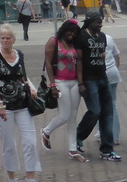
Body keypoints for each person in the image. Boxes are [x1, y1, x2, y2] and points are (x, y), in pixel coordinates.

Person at [0, 24, 48, 182]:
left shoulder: (19, 54)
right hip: (4, 108)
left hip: (22, 104)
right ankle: (12, 179)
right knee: (9, 145)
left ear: (14, 39)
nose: (5, 41)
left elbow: (22, 75)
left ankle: (31, 181)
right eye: (3, 38)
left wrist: (31, 87)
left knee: (30, 142)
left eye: (8, 38)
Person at [74, 14, 119, 161]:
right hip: (89, 80)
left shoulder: (102, 36)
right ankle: (78, 135)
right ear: (89, 23)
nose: (100, 25)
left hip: (102, 78)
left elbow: (102, 56)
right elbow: (79, 61)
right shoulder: (81, 37)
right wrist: (81, 83)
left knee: (108, 113)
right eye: (98, 22)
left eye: (101, 22)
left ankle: (107, 150)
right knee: (95, 111)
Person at [39, 20, 84, 161]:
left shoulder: (74, 43)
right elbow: (48, 63)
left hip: (74, 82)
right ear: (64, 30)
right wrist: (52, 84)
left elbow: (79, 62)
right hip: (60, 81)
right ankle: (46, 131)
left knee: (73, 116)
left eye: (75, 32)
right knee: (64, 115)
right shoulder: (54, 41)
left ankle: (72, 149)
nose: (71, 34)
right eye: (69, 31)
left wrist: (81, 82)